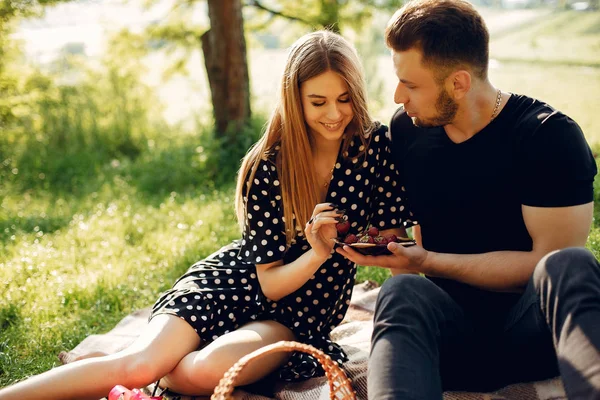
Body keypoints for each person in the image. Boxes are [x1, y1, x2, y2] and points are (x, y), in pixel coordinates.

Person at [0, 30, 412, 400]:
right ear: (294, 99)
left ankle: (136, 361)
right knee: (142, 364)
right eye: (318, 101)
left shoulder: (374, 147)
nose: (334, 114)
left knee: (204, 373)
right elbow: (268, 282)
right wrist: (318, 253)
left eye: (343, 99)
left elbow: (394, 244)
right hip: (231, 283)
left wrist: (406, 324)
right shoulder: (267, 163)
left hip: (295, 316)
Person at [336, 1, 600, 399]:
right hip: (451, 344)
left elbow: (547, 270)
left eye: (410, 84)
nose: (396, 97)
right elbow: (412, 242)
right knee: (399, 292)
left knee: (572, 262)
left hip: (536, 340)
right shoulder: (409, 130)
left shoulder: (548, 137)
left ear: (458, 83)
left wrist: (428, 261)